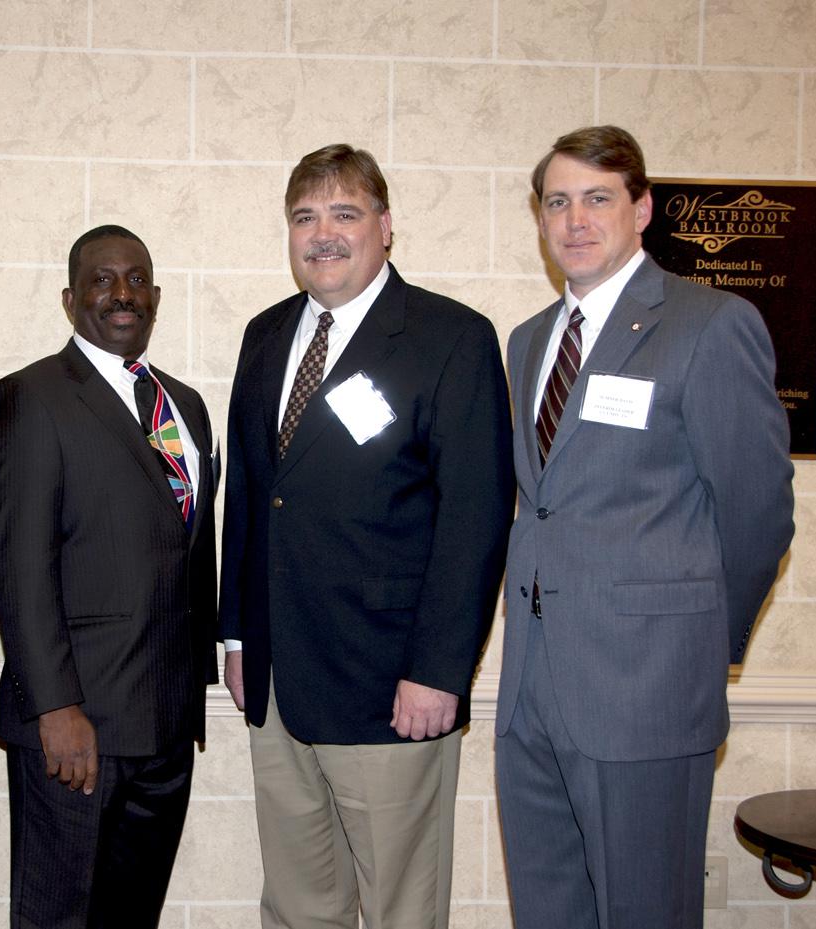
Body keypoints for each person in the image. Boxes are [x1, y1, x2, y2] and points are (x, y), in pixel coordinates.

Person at [495, 125, 796, 929]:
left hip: (648, 688)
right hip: (533, 688)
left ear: (643, 209)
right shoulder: (528, 342)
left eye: (598, 197)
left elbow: (759, 509)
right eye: (557, 202)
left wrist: (701, 646)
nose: (575, 219)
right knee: (548, 908)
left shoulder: (708, 324)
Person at [218, 144, 514, 929]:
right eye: (305, 216)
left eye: (344, 213)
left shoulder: (450, 338)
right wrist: (241, 637)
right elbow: (248, 496)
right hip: (278, 683)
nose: (323, 233)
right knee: (296, 902)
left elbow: (475, 518)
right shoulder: (265, 335)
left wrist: (439, 670)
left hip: (391, 687)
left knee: (400, 910)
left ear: (385, 227)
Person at [0, 225, 219, 928]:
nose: (123, 294)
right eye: (104, 279)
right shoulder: (31, 397)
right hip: (76, 728)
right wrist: (55, 707)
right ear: (70, 298)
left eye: (138, 279)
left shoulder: (186, 406)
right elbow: (17, 564)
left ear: (158, 296)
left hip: (167, 727)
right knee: (59, 917)